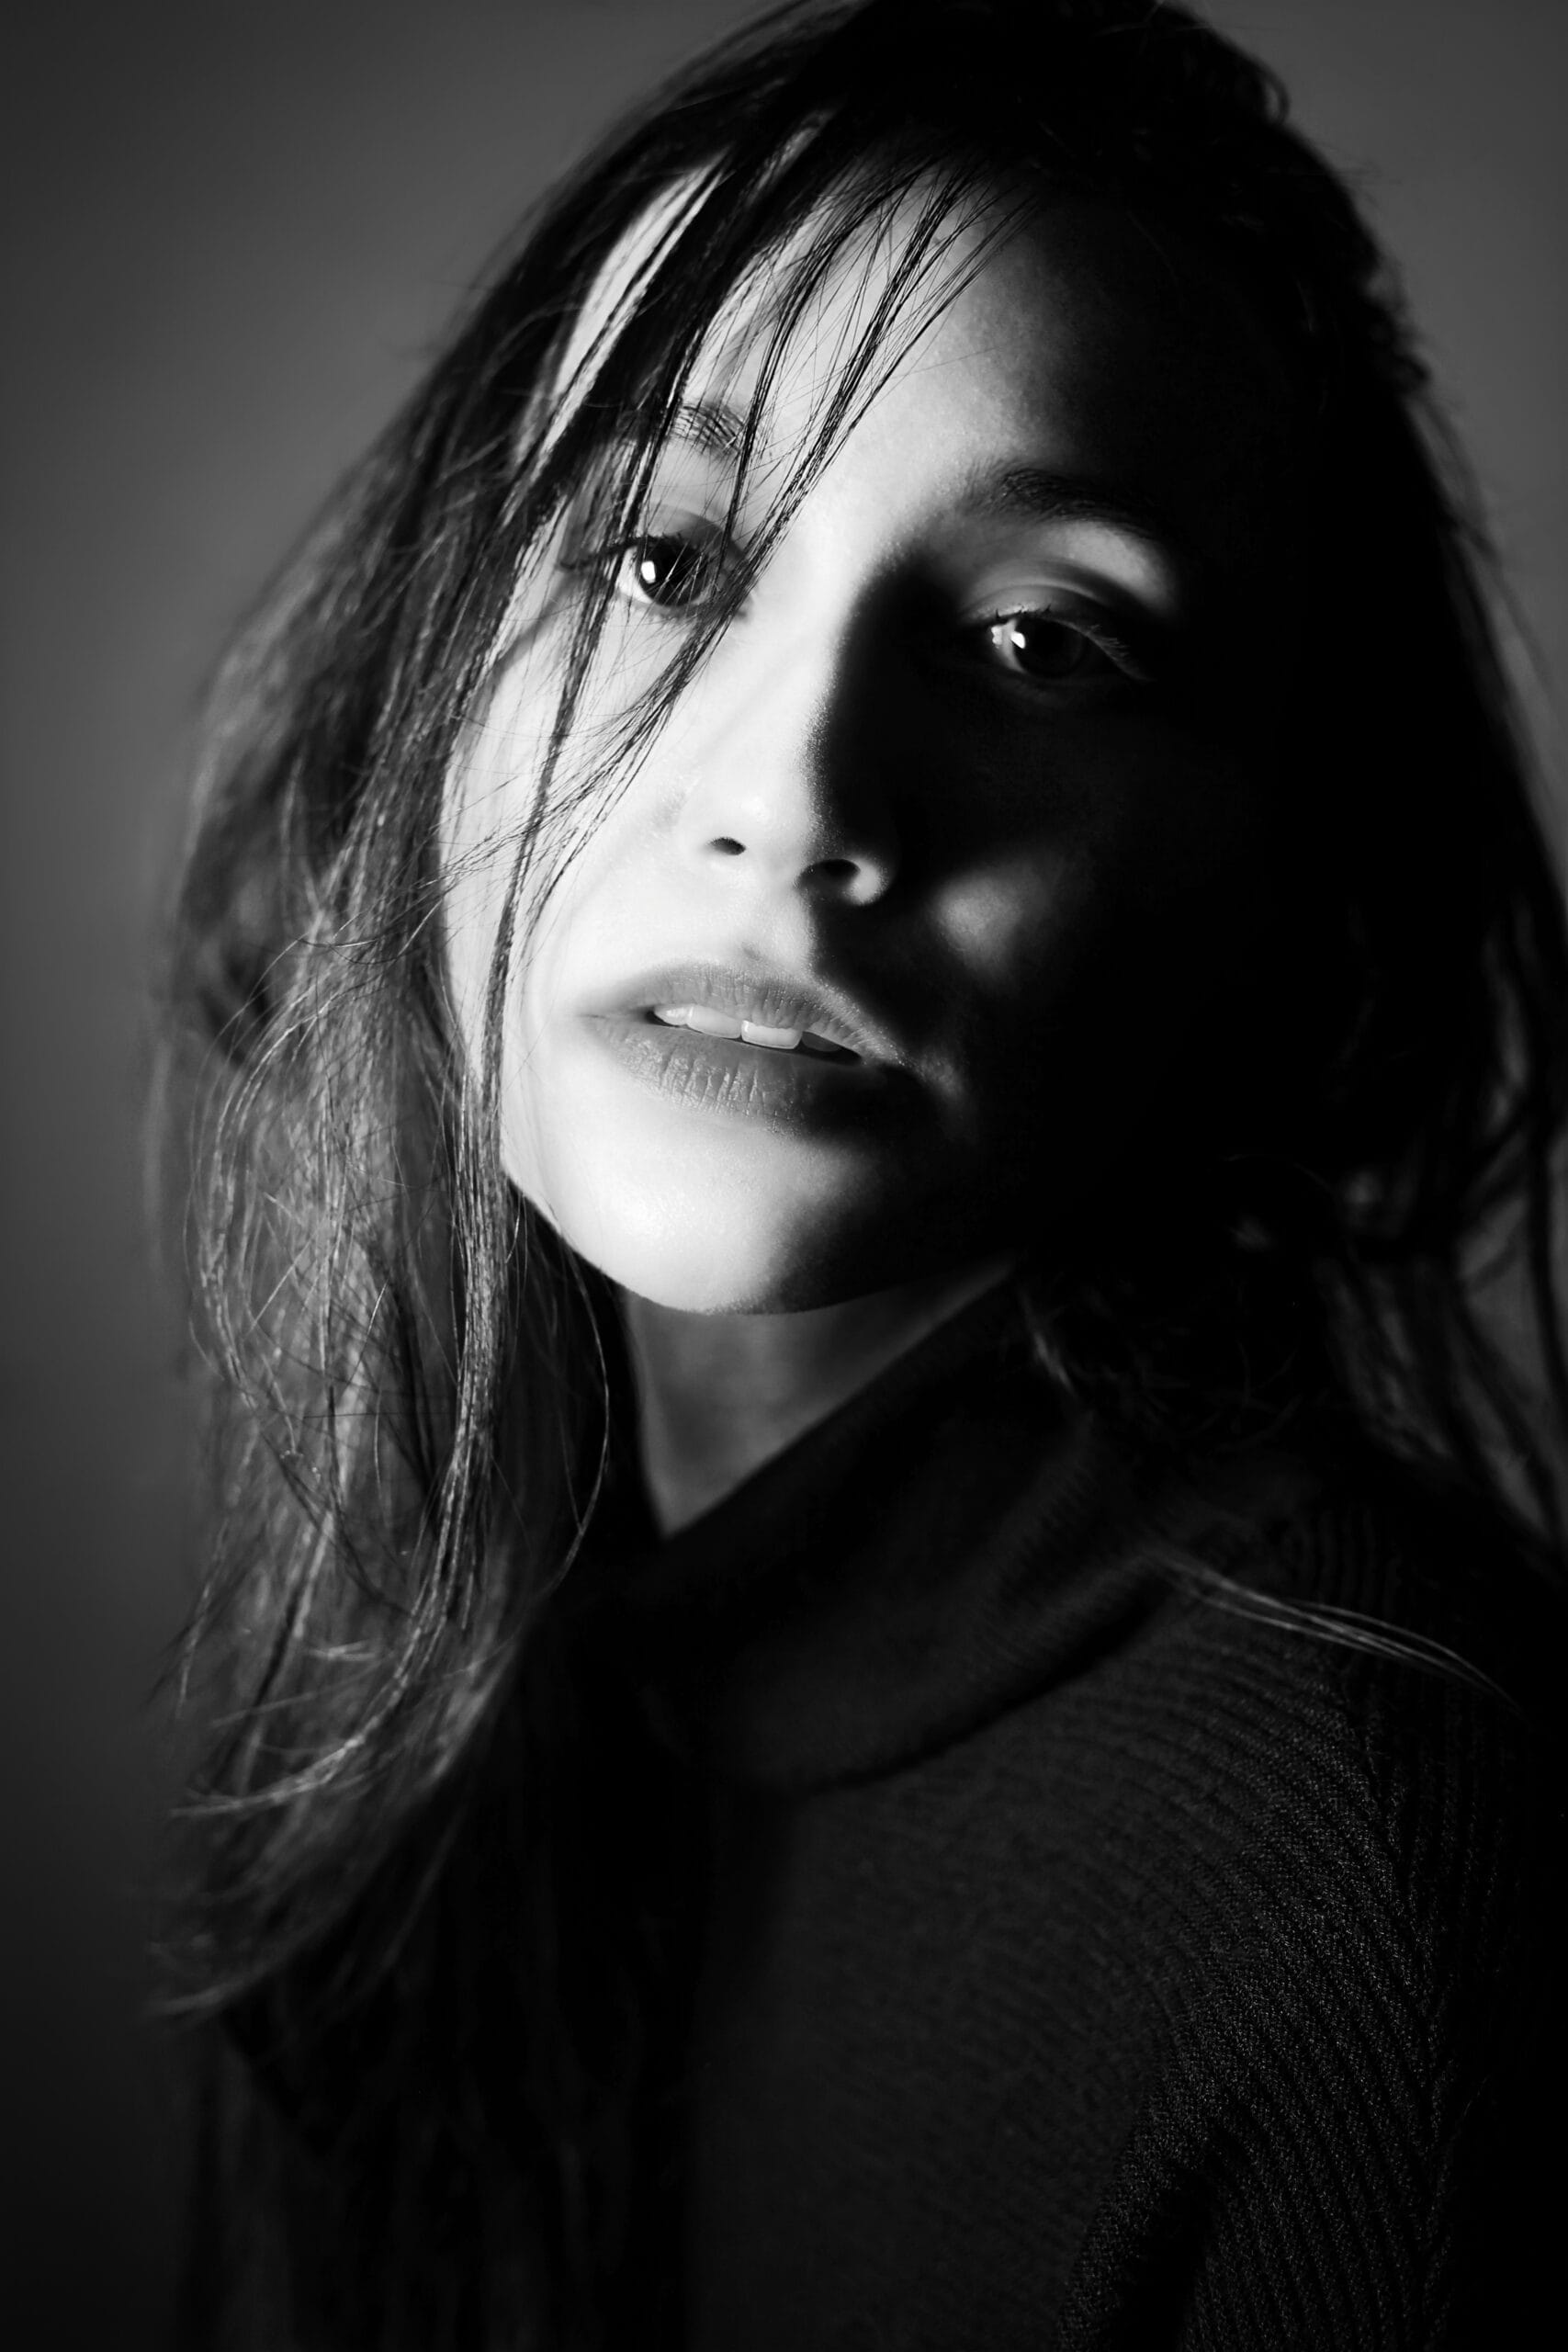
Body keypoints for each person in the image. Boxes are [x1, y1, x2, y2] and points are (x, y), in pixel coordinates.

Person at [159, 1, 1568, 2344]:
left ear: (1272, 881)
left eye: (1038, 638)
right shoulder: (512, 1655)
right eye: (660, 556)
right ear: (425, 666)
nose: (793, 796)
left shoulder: (1380, 1928)